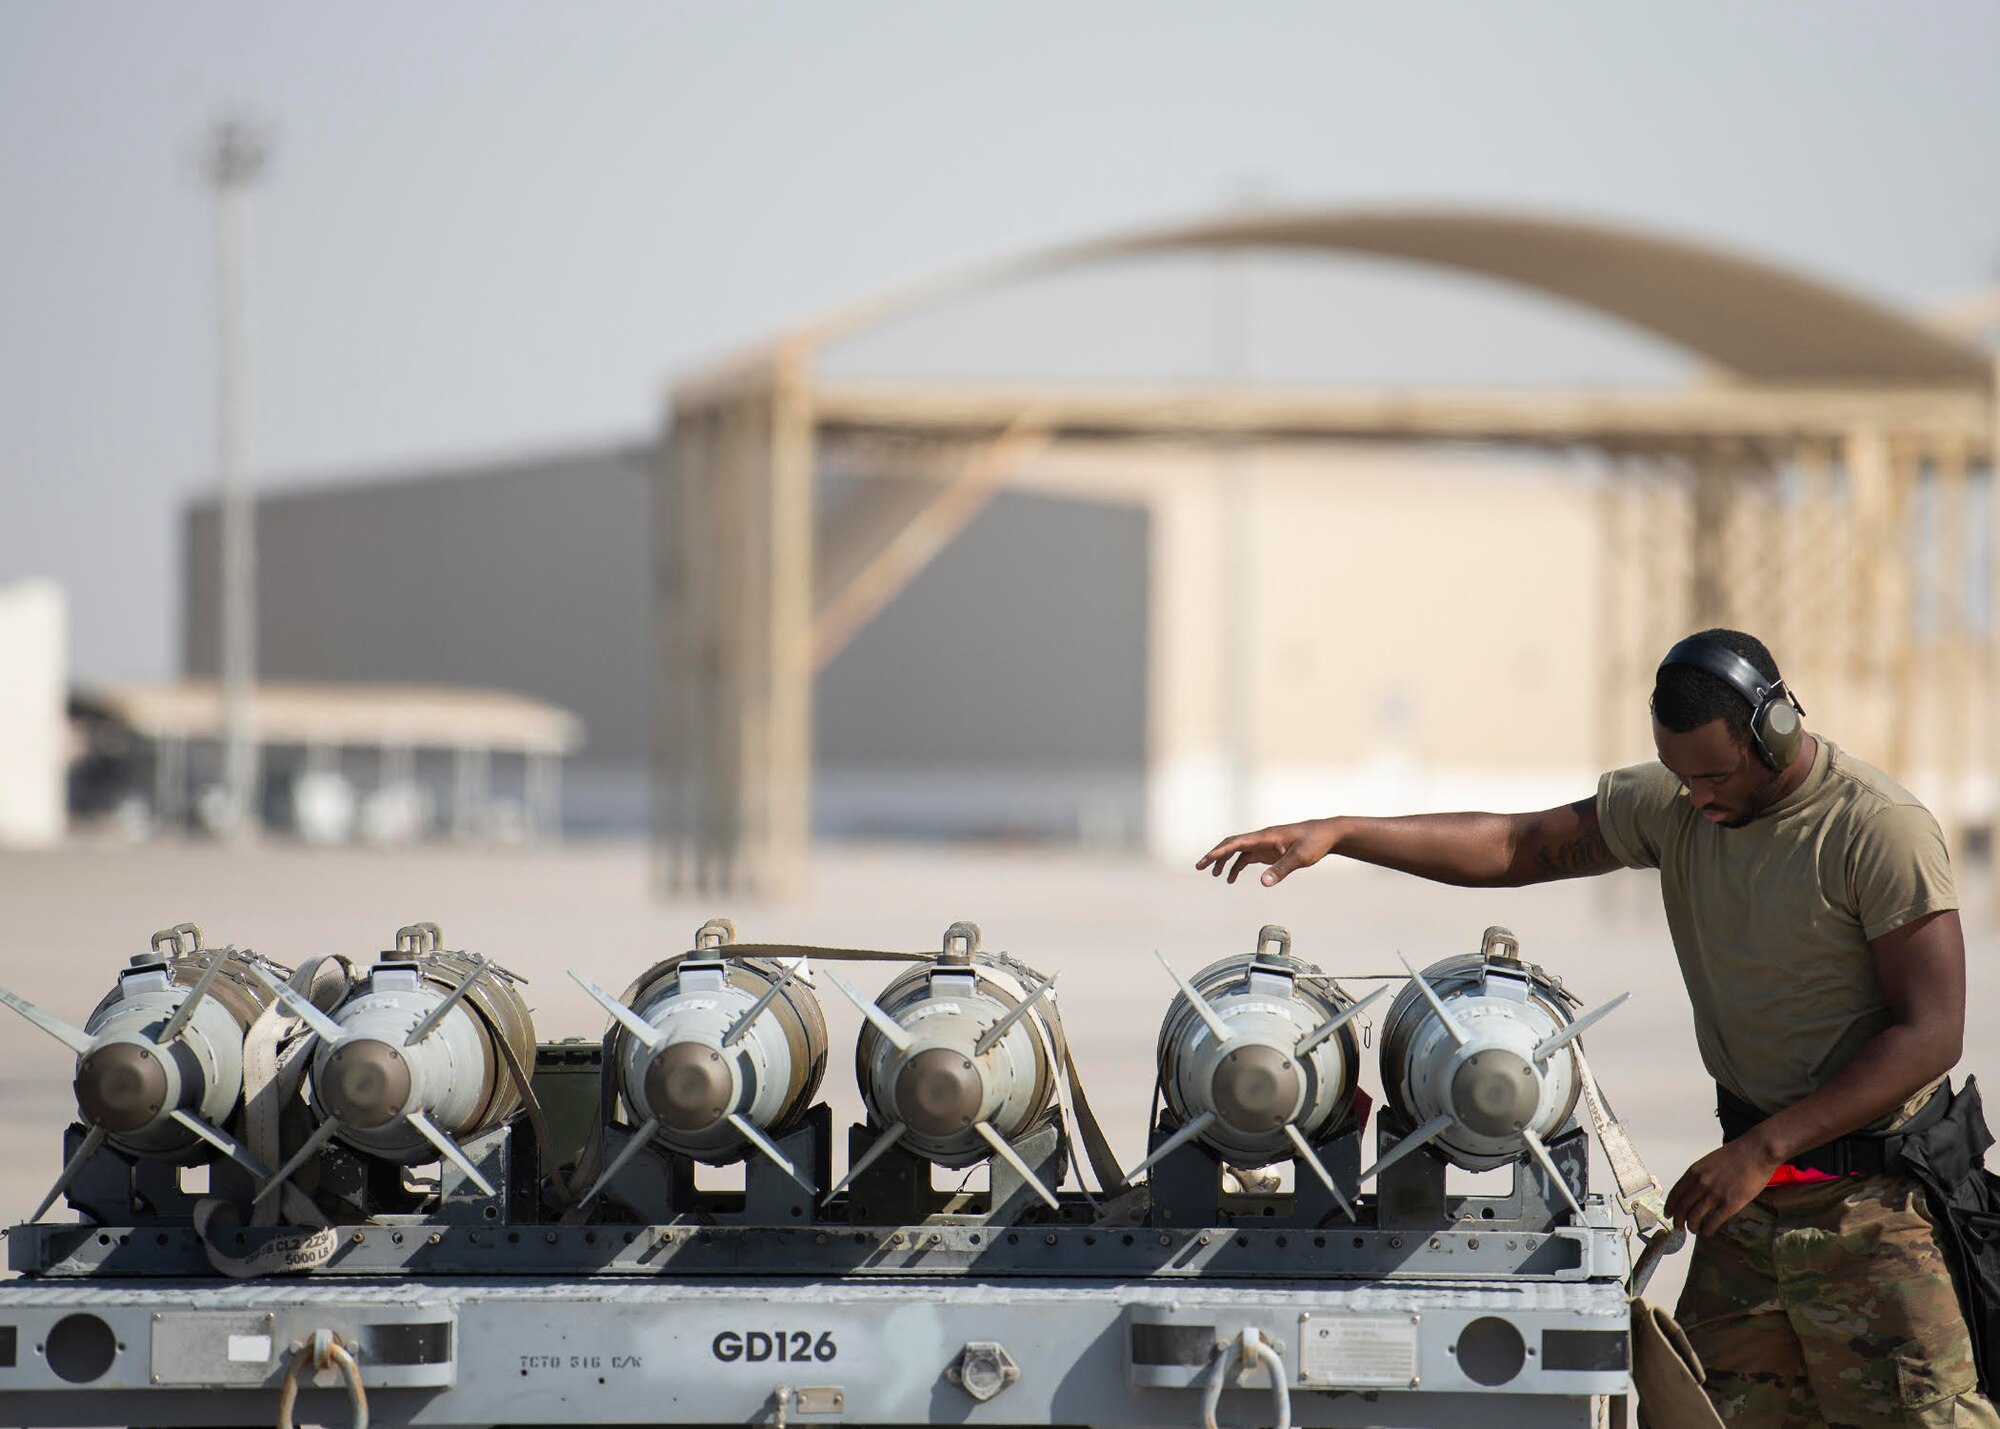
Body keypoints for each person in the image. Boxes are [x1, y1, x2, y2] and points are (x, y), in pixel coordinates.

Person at [1196, 628, 1993, 1427]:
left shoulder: (1877, 829)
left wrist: (1761, 1150)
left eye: (1715, 774)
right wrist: (1343, 831)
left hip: (1876, 1211)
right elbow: (1518, 844)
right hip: (1749, 1203)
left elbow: (1931, 1032)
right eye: (1682, 776)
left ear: (1775, 729)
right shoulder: (1680, 806)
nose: (1699, 798)